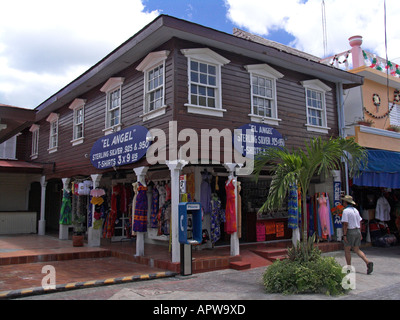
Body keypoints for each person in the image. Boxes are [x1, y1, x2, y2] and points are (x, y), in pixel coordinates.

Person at [341, 195, 373, 275]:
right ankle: (367, 262)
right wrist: (360, 232)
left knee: (347, 250)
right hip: (357, 230)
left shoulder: (346, 211)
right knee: (357, 249)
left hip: (350, 231)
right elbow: (360, 222)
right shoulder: (355, 210)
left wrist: (344, 235)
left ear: (345, 202)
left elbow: (345, 224)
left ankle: (349, 267)